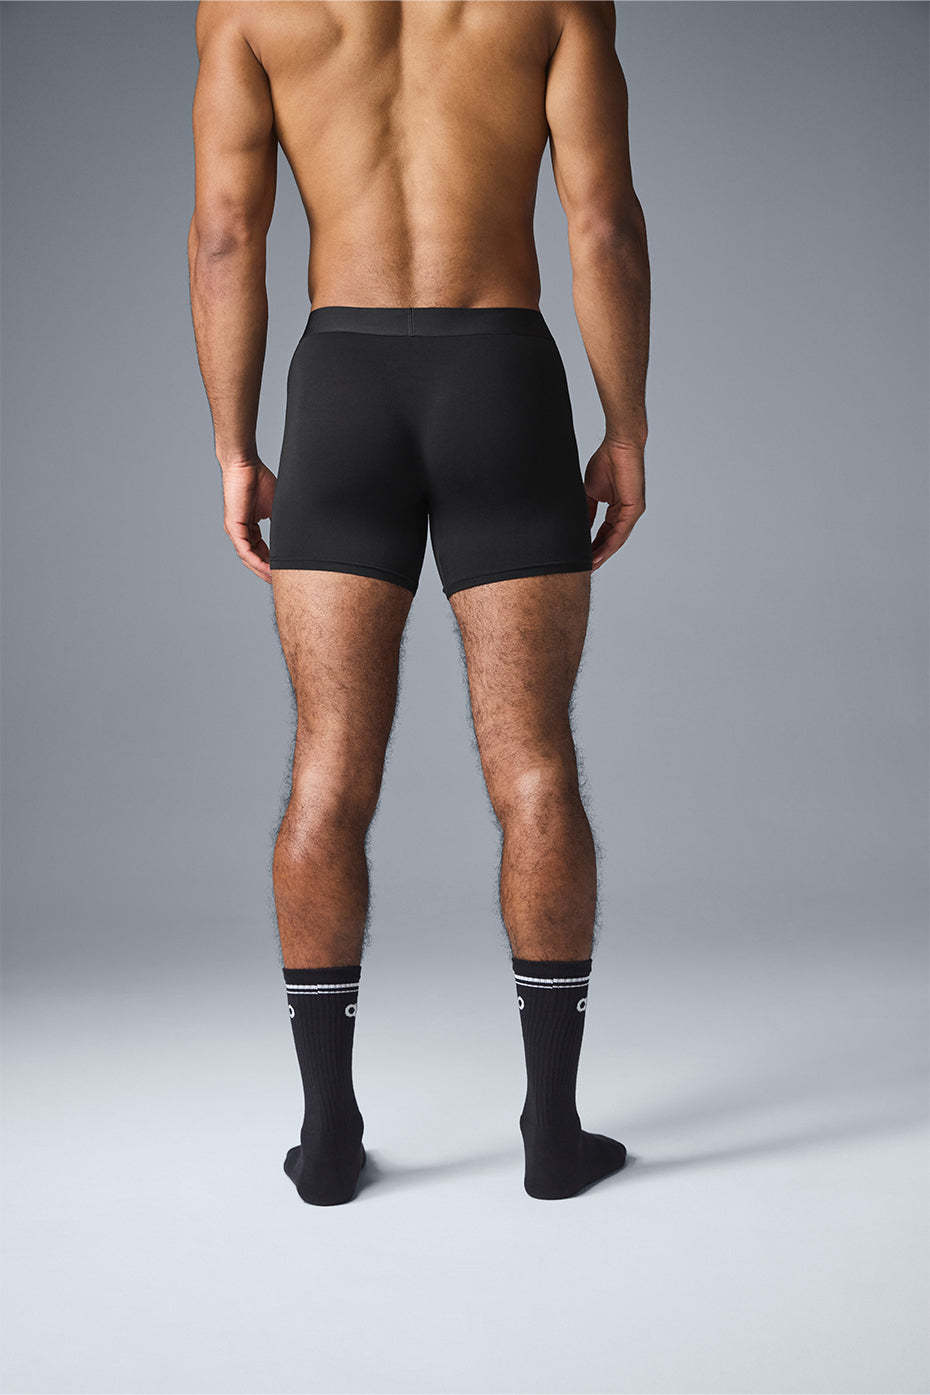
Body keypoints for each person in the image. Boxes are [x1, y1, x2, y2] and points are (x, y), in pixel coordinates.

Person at [189, 0, 649, 1204]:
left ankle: (327, 1137)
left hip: (341, 389)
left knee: (328, 769)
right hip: (501, 378)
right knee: (534, 766)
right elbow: (601, 222)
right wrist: (627, 426)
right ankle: (554, 1133)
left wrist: (234, 448)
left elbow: (228, 233)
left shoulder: (247, 9)